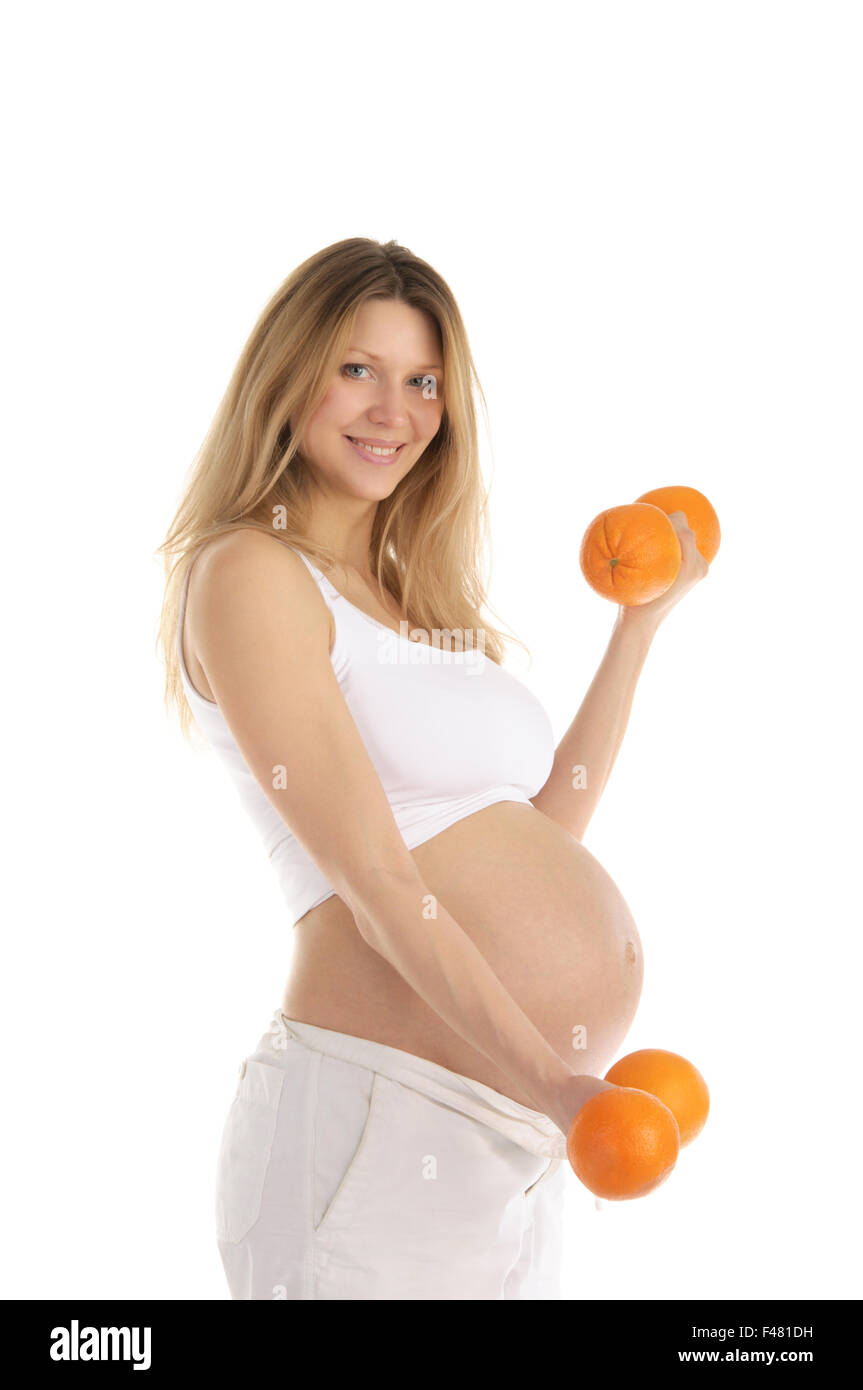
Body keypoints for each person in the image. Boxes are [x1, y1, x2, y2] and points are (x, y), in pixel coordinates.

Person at [156, 236, 708, 1300]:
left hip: (503, 1133)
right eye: (355, 369)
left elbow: (539, 833)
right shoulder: (250, 573)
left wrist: (637, 630)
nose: (391, 410)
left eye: (421, 382)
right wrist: (556, 1082)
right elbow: (375, 880)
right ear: (288, 374)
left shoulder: (405, 598)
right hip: (380, 1118)